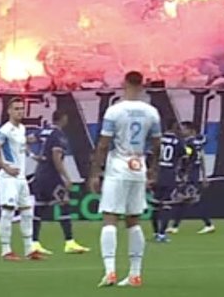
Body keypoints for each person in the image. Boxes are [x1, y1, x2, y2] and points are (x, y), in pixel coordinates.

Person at [89, 70, 162, 288]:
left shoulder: (115, 111)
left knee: (110, 217)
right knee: (134, 220)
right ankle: (135, 274)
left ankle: (110, 271)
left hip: (118, 165)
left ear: (124, 84)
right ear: (142, 85)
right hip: (138, 166)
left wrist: (95, 172)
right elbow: (157, 145)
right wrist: (153, 170)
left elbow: (103, 144)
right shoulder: (151, 112)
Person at [28, 110, 87, 257]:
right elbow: (56, 156)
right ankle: (70, 242)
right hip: (52, 176)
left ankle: (34, 243)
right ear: (64, 118)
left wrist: (32, 155)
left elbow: (25, 140)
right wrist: (66, 177)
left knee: (39, 208)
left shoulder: (43, 131)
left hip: (40, 175)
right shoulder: (58, 135)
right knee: (64, 204)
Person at [0, 97, 33, 262]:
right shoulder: (5, 130)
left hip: (21, 177)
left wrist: (32, 153)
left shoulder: (21, 128)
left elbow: (20, 148)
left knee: (27, 212)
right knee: (8, 211)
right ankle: (5, 249)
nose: (20, 111)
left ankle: (29, 249)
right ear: (9, 111)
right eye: (16, 108)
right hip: (9, 177)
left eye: (22, 108)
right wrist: (6, 167)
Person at [168, 122, 212, 236]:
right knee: (183, 201)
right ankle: (175, 226)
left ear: (190, 130)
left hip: (190, 175)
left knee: (193, 200)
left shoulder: (187, 144)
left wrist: (184, 174)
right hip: (195, 174)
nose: (181, 131)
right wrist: (204, 175)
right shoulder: (198, 143)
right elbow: (201, 158)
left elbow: (188, 160)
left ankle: (208, 224)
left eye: (184, 129)